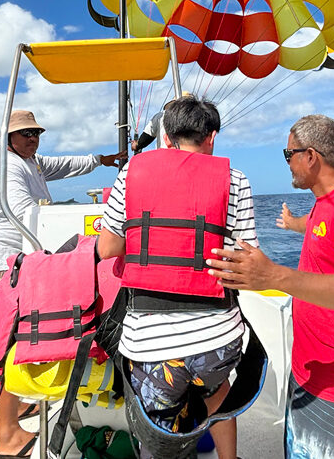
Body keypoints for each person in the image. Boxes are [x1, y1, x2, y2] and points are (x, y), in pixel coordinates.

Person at [206, 115, 334, 459]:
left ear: (310, 157)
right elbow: (322, 230)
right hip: (315, 369)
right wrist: (295, 224)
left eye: (288, 153)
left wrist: (274, 277)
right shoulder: (329, 205)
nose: (287, 162)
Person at [98, 96, 257, 459]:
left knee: (159, 423)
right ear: (211, 137)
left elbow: (107, 247)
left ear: (166, 138)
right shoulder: (236, 179)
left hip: (151, 345)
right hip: (218, 344)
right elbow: (245, 262)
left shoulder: (130, 174)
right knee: (217, 393)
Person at [0, 109, 124, 459]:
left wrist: (101, 160)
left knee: (18, 342)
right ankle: (7, 435)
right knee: (7, 348)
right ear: (7, 137)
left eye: (36, 132)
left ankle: (16, 409)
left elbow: (62, 165)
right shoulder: (6, 166)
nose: (33, 138)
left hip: (25, 264)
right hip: (7, 268)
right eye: (25, 133)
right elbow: (27, 213)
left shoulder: (28, 159)